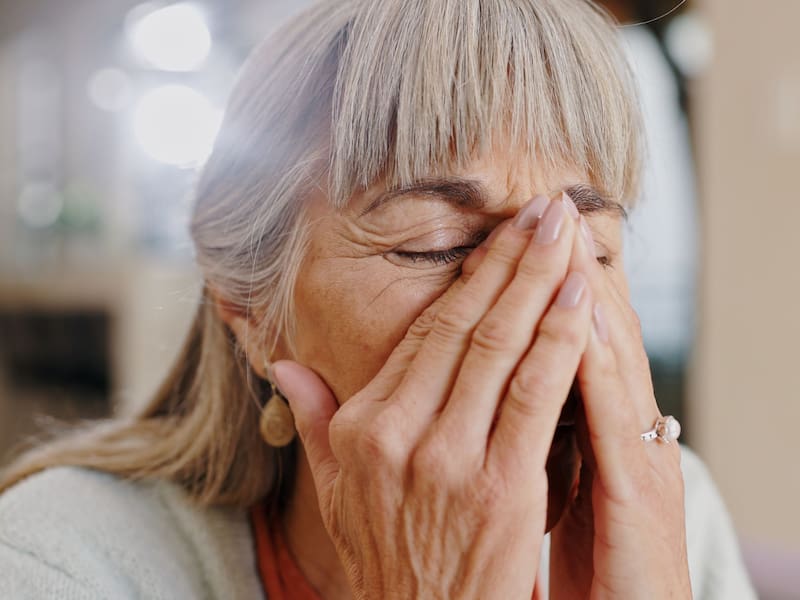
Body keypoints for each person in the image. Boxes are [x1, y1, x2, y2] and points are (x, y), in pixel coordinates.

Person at [0, 1, 755, 598]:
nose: (536, 315)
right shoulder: (54, 561)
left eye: (592, 249)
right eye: (436, 244)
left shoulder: (675, 512)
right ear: (251, 308)